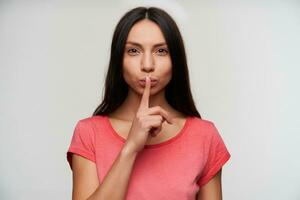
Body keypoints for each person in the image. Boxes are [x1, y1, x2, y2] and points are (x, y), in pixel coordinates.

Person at [66, 6, 231, 200]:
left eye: (161, 51)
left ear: (175, 60)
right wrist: (131, 148)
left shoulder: (205, 136)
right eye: (134, 51)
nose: (147, 65)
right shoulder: (89, 133)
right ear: (119, 59)